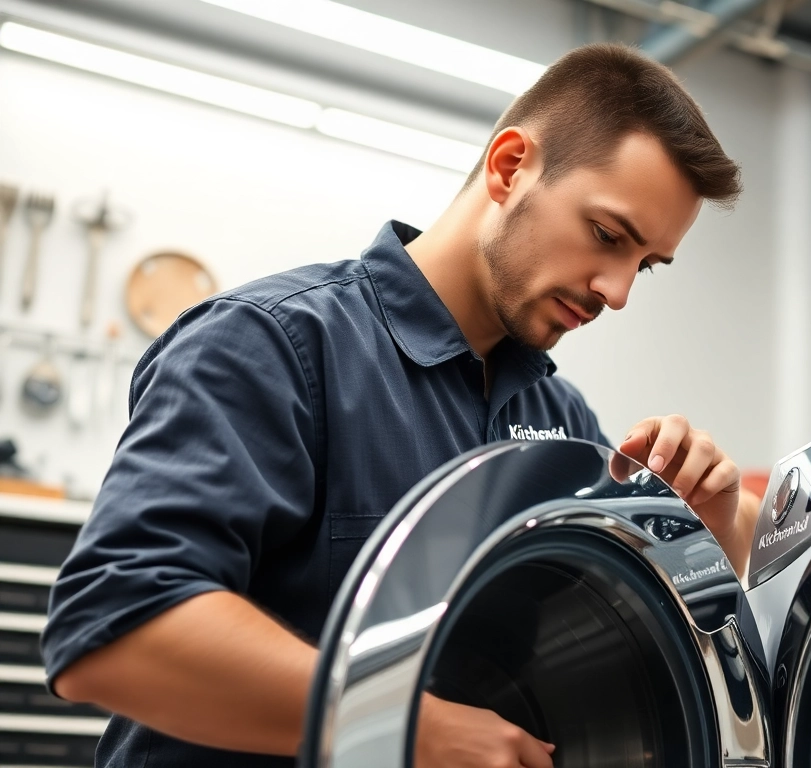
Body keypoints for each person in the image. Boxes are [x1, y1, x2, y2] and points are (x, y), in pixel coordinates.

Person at [41, 43, 759, 768]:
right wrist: (403, 724)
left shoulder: (559, 420)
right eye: (607, 235)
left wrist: (712, 520)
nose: (618, 290)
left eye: (646, 265)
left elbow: (646, 629)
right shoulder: (275, 346)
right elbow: (116, 627)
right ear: (511, 167)